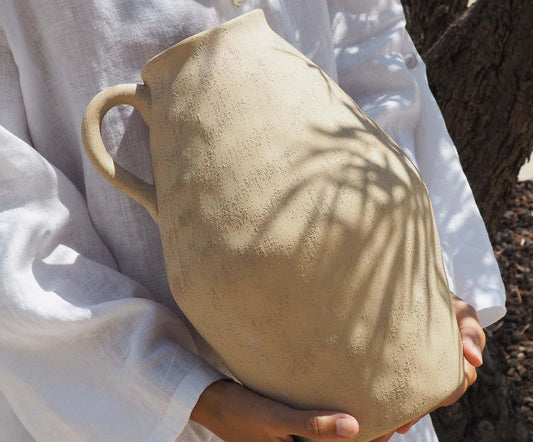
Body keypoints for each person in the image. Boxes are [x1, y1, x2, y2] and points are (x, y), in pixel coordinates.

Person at [0, 1, 506, 441]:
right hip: (138, 414)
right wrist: (184, 393)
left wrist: (423, 280)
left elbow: (365, 47)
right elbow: (12, 202)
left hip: (377, 325)